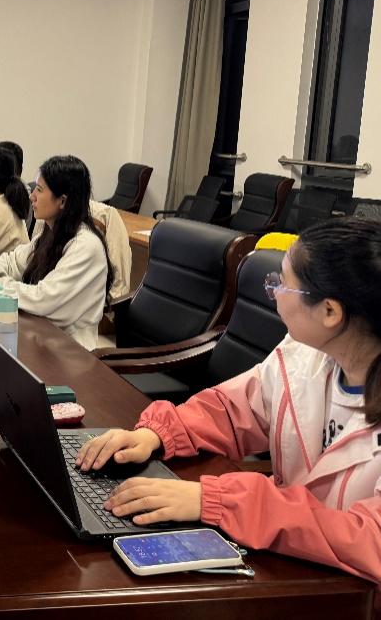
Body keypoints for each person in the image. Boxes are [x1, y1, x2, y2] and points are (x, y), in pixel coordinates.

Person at [74, 217, 381, 586]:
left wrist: (221, 502)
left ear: (330, 312)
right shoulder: (304, 356)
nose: (273, 292)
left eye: (282, 284)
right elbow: (233, 410)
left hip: (354, 595)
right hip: (293, 569)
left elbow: (370, 540)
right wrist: (156, 434)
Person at [0, 155, 111, 350]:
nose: (32, 196)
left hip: (70, 351)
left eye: (39, 190)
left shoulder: (86, 246)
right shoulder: (51, 233)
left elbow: (44, 299)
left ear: (62, 201)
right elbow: (13, 262)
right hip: (40, 338)